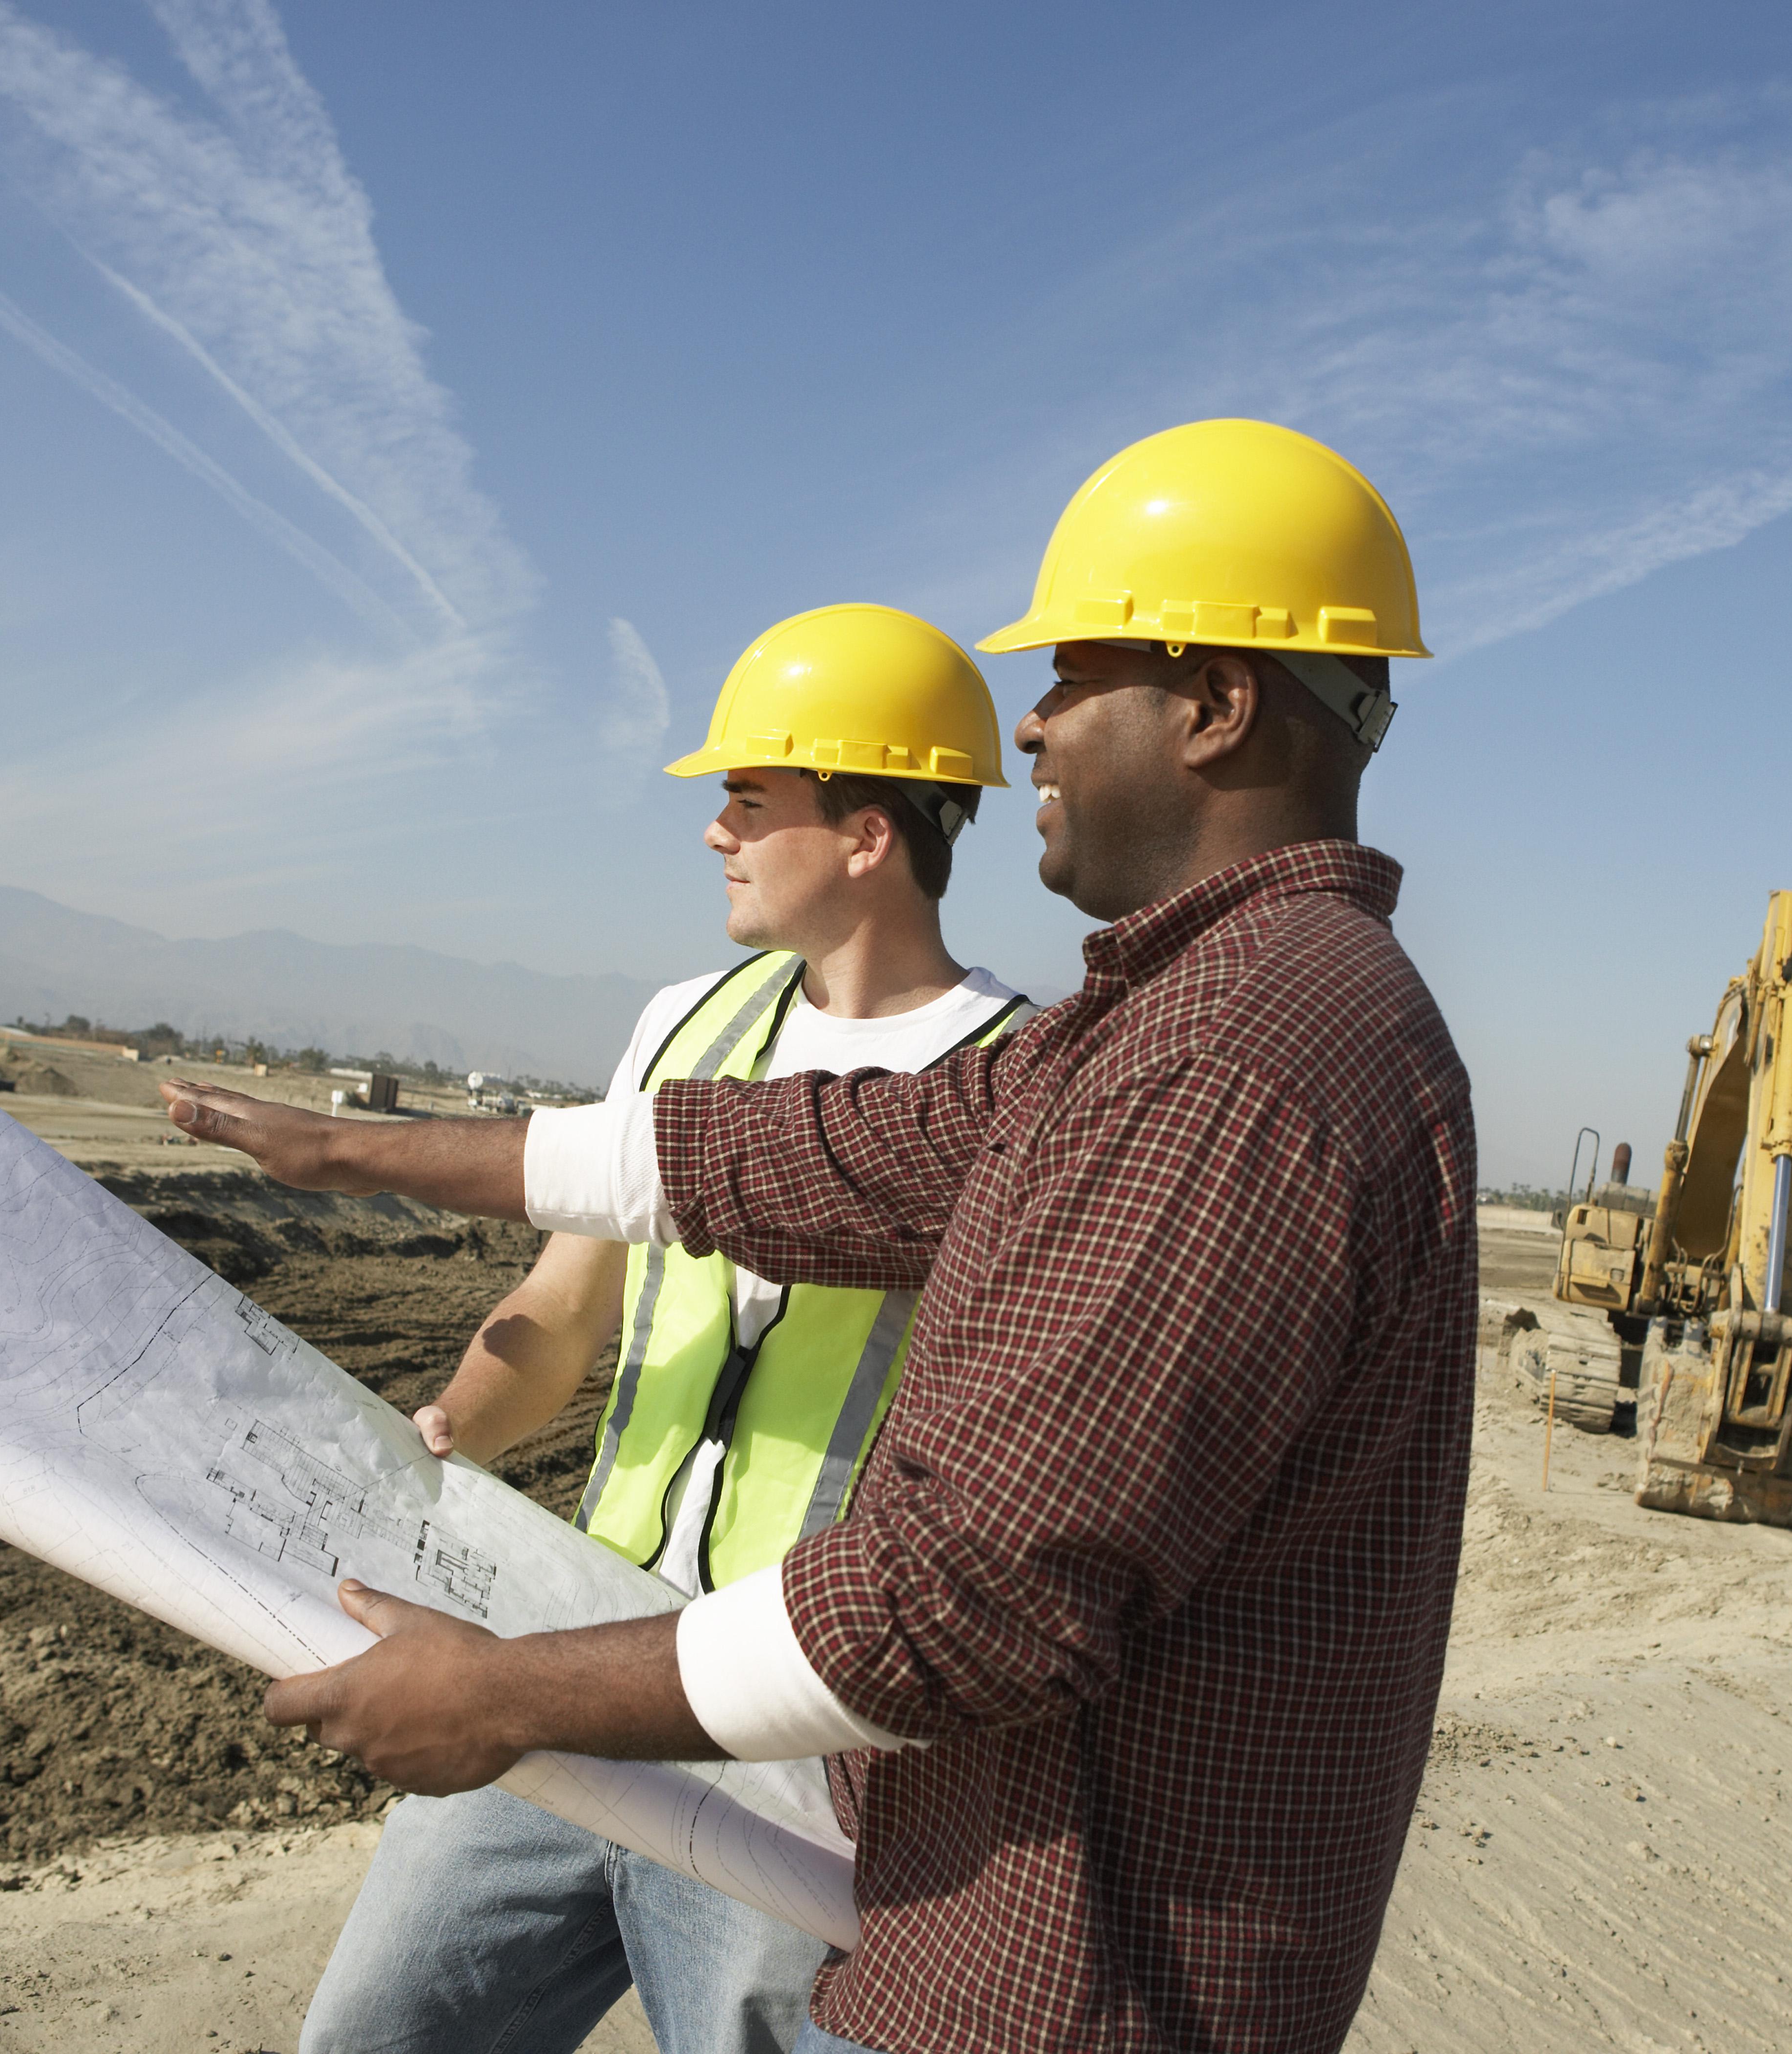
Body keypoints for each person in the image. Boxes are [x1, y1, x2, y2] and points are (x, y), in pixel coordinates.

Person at [165, 419, 1476, 2054]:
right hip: (897, 1841)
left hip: (1041, 1976)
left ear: (1214, 707)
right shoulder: (1161, 1025)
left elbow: (976, 1589)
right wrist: (356, 1148)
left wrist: (504, 1690)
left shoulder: (1234, 1061)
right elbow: (820, 1154)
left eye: (1074, 677)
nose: (1034, 727)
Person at [292, 603, 1025, 2054]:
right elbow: (564, 1307)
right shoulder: (685, 1026)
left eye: (752, 798)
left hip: (790, 1742)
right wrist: (449, 1429)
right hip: (568, 1659)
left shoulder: (1017, 1087)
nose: (716, 831)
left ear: (869, 831)